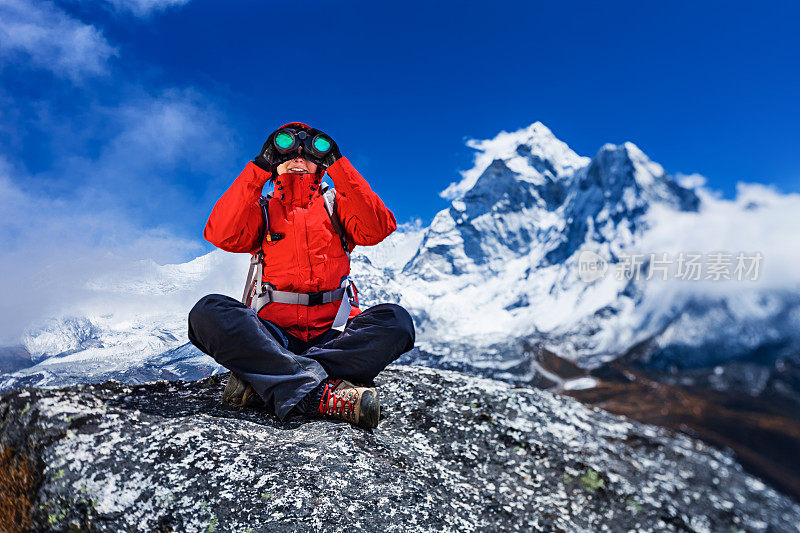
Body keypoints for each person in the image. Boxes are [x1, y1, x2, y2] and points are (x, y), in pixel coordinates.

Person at [187, 122, 415, 430]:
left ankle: (270, 380)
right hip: (274, 335)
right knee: (207, 313)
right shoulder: (263, 210)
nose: (297, 158)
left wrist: (339, 164)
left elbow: (378, 228)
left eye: (307, 153)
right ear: (275, 163)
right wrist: (257, 168)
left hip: (334, 334)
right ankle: (320, 391)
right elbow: (221, 234)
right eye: (287, 152)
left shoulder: (337, 206)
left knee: (397, 322)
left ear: (320, 164)